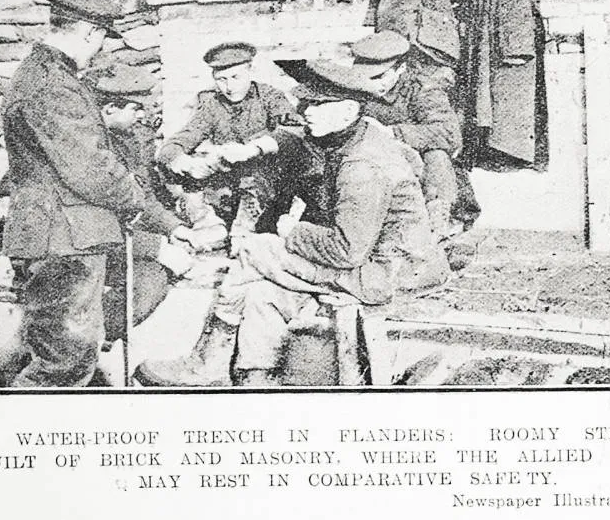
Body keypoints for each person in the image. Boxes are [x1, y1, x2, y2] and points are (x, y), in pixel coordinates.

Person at [136, 60, 450, 387]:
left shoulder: (363, 166)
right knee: (261, 292)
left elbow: (346, 251)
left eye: (316, 105)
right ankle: (256, 377)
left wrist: (291, 231)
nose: (306, 112)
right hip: (379, 261)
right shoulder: (354, 132)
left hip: (387, 273)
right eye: (305, 103)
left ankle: (206, 364)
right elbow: (294, 136)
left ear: (348, 110)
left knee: (254, 249)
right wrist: (251, 149)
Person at [0, 0, 147, 388]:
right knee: (63, 366)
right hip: (65, 240)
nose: (98, 50)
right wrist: (134, 198)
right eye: (100, 39)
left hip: (56, 235)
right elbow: (90, 166)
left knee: (49, 352)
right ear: (87, 33)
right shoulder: (53, 85)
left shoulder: (42, 75)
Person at [89, 64, 218, 342]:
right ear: (110, 108)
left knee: (153, 280)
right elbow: (96, 222)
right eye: (136, 109)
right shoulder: (90, 148)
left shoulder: (127, 140)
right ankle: (77, 344)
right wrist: (157, 247)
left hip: (117, 242)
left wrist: (175, 229)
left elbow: (142, 197)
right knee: (148, 282)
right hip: (85, 247)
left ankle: (95, 339)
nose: (142, 116)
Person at [156, 42, 298, 248]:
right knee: (187, 172)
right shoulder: (213, 105)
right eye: (221, 80)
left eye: (235, 77)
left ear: (251, 71)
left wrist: (254, 149)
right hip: (230, 185)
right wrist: (181, 160)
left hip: (270, 185)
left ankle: (244, 235)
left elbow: (293, 132)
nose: (229, 87)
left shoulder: (270, 97)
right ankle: (207, 225)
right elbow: (179, 141)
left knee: (257, 172)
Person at [349, 30, 463, 239]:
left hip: (416, 165)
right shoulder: (352, 85)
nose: (372, 83)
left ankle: (438, 228)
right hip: (370, 161)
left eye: (379, 77)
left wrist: (393, 132)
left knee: (436, 155)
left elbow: (449, 134)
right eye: (365, 77)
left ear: (401, 68)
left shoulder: (424, 88)